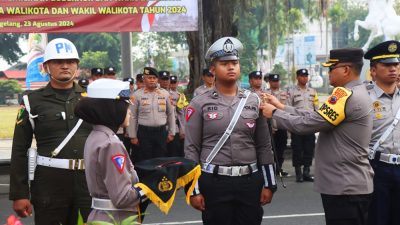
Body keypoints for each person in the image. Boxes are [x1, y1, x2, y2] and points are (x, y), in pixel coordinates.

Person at [261, 48, 374, 225]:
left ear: (345, 69)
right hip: (347, 185)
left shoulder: (345, 95)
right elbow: (314, 117)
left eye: (331, 68)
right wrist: (282, 107)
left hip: (345, 188)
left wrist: (274, 113)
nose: (328, 73)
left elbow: (306, 125)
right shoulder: (357, 92)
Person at [185, 37, 276, 225]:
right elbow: (191, 149)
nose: (231, 67)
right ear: (213, 69)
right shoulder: (199, 103)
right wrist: (193, 190)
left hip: (249, 181)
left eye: (234, 63)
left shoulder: (254, 101)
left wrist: (269, 183)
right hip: (214, 182)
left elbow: (264, 145)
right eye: (224, 63)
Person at [9, 38, 92, 224]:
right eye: (58, 62)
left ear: (77, 66)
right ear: (45, 66)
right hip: (50, 185)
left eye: (70, 62)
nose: (65, 66)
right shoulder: (31, 101)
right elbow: (19, 150)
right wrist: (20, 193)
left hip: (89, 184)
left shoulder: (92, 98)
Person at [74, 79, 144, 224]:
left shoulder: (96, 136)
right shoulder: (111, 144)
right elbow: (123, 198)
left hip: (101, 216)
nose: (129, 112)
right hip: (116, 219)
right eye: (126, 106)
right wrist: (150, 188)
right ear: (113, 109)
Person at [364, 40, 400, 225]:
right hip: (376, 168)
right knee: (378, 219)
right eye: (386, 65)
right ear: (373, 71)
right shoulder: (363, 98)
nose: (393, 68)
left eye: (395, 64)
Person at [127, 67, 176, 163]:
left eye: (154, 78)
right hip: (144, 133)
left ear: (157, 79)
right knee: (145, 160)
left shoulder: (165, 94)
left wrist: (172, 132)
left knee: (161, 160)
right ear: (144, 79)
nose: (152, 80)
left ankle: (159, 178)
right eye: (149, 78)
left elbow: (171, 114)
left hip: (161, 132)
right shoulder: (136, 95)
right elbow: (132, 116)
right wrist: (132, 135)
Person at [287, 68, 319, 182]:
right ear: (297, 77)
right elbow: (288, 109)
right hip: (297, 124)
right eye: (302, 76)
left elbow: (317, 108)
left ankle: (306, 172)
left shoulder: (313, 91)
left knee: (309, 149)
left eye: (306, 76)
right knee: (297, 149)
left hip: (310, 124)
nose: (304, 78)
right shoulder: (291, 92)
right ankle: (298, 173)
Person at [265, 73, 289, 177]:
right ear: (269, 82)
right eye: (273, 81)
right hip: (269, 126)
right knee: (269, 149)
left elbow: (287, 108)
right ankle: (270, 169)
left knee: (281, 148)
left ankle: (279, 168)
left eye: (277, 81)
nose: (276, 83)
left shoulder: (284, 94)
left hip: (281, 125)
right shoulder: (265, 94)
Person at [167, 75, 187, 157]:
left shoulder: (180, 96)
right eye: (171, 83)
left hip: (176, 126)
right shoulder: (164, 94)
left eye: (174, 82)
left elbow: (182, 114)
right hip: (164, 125)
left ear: (177, 83)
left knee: (176, 152)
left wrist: (183, 130)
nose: (172, 85)